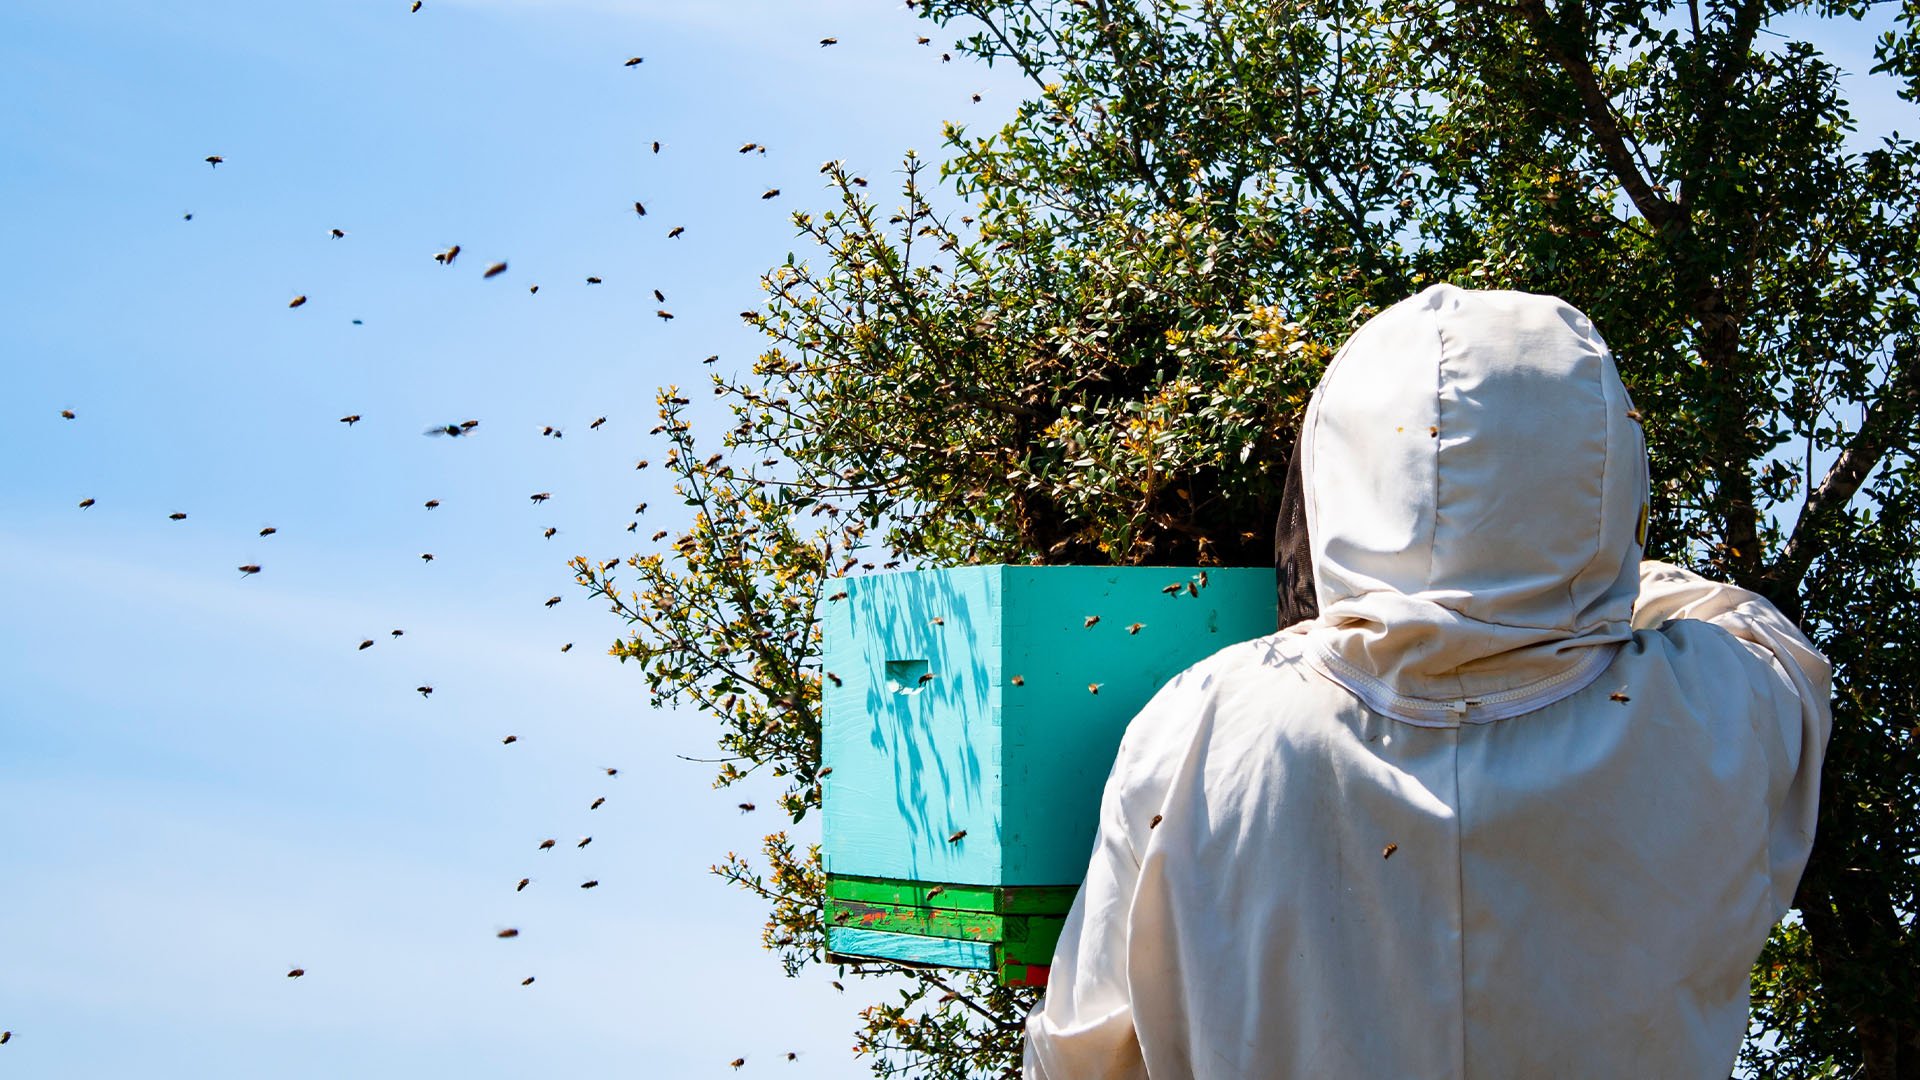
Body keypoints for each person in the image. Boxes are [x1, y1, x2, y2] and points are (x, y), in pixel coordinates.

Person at [1023, 284, 1831, 1079]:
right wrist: (1570, 574)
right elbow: (1763, 634)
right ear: (1611, 469)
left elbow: (1080, 1055)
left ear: (1339, 466)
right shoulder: (1725, 709)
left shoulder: (1199, 722)